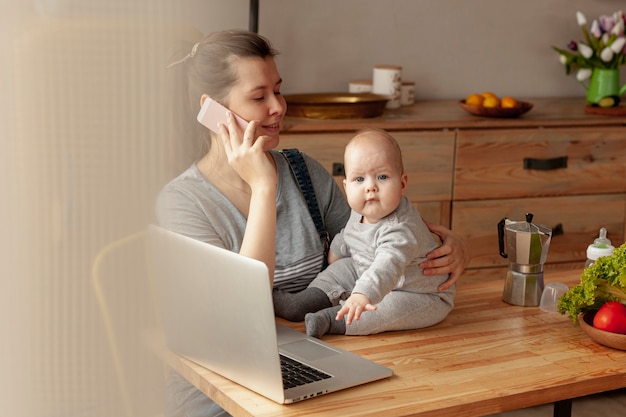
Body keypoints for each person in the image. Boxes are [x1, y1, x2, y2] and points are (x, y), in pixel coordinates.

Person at [157, 29, 470, 417]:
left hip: (317, 357)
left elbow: (377, 237)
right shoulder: (182, 204)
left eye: (278, 90)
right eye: (258, 97)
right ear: (212, 110)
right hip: (218, 391)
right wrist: (263, 187)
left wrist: (449, 242)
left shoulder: (305, 173)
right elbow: (242, 313)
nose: (278, 107)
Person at [274, 128, 454, 338]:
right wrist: (337, 250)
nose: (370, 187)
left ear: (402, 184)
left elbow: (386, 267)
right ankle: (302, 302)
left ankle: (331, 320)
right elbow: (348, 233)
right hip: (366, 267)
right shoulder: (360, 210)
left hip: (418, 292)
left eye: (382, 177)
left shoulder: (400, 229)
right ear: (347, 185)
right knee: (341, 268)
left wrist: (362, 294)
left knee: (385, 309)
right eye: (359, 179)